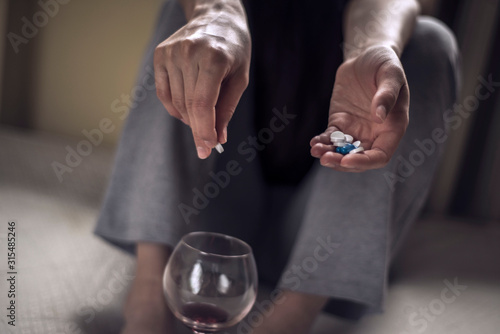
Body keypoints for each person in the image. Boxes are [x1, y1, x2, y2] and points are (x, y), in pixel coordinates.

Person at [94, 0, 460, 333]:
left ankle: (294, 314)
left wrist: (373, 49)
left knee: (429, 42)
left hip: (328, 233)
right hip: (209, 213)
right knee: (187, 22)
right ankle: (148, 294)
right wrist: (214, 13)